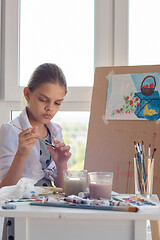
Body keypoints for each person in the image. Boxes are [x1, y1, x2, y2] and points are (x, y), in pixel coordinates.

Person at [0, 63, 72, 239]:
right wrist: (21, 155)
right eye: (43, 99)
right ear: (27, 94)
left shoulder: (55, 132)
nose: (50, 108)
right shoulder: (10, 131)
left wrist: (61, 164)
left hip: (49, 217)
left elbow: (63, 190)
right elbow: (4, 191)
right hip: (21, 219)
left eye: (57, 103)